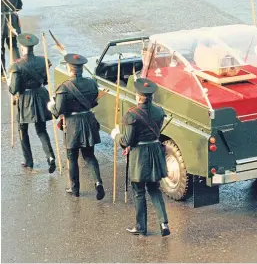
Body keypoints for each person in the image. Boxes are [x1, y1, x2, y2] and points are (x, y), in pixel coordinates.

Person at [111, 78, 170, 237]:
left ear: (138, 96)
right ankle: (163, 223)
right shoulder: (159, 111)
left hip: (139, 156)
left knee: (138, 192)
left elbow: (127, 141)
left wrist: (117, 136)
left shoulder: (132, 115)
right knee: (154, 189)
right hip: (155, 152)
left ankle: (141, 227)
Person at [47, 53, 104, 200]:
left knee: (72, 157)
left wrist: (50, 106)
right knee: (89, 155)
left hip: (72, 124)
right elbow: (93, 101)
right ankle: (98, 182)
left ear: (69, 68)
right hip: (88, 120)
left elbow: (59, 110)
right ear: (82, 68)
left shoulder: (64, 88)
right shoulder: (92, 83)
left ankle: (75, 189)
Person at [7, 33, 55, 172]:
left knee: (22, 129)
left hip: (25, 98)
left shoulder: (16, 65)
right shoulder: (43, 60)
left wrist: (9, 84)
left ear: (22, 48)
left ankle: (29, 161)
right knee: (41, 129)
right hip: (40, 95)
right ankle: (50, 157)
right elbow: (45, 81)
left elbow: (14, 89)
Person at [1, 0, 22, 78]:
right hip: (12, 23)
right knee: (13, 47)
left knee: (0, 49)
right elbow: (18, 7)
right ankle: (18, 70)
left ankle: (2, 73)